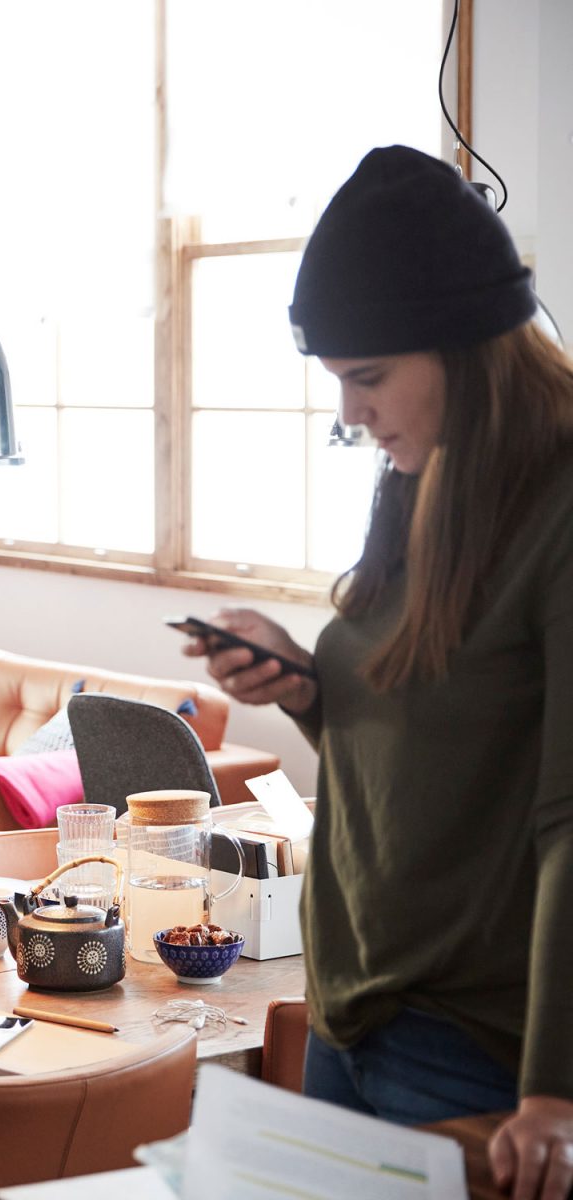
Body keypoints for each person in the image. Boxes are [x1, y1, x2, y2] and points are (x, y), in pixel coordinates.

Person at [185, 146, 573, 1200]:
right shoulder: (425, 474)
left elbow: (566, 819)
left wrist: (554, 1090)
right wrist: (306, 687)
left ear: (465, 348)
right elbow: (420, 723)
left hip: (472, 1042)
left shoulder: (558, 506)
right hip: (351, 1012)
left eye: (367, 377)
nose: (351, 413)